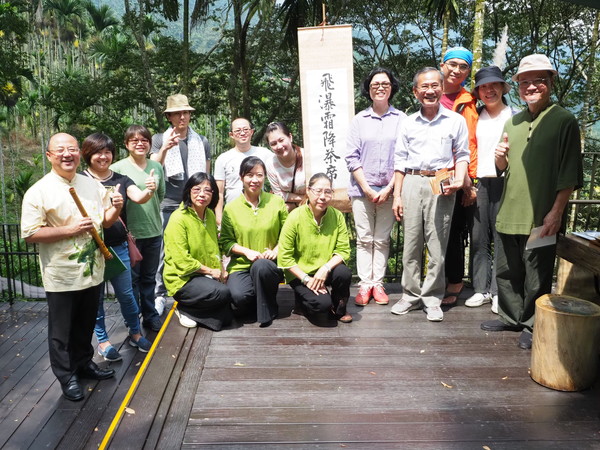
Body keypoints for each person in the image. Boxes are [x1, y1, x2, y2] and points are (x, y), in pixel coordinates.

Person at [480, 54, 583, 350]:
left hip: (541, 214)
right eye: (525, 82)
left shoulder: (563, 120)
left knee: (536, 272)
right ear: (518, 88)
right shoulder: (513, 121)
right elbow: (503, 167)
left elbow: (568, 173)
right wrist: (499, 160)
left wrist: (556, 212)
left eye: (538, 80)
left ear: (550, 82)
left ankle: (530, 322)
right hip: (509, 208)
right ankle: (511, 317)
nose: (531, 86)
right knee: (507, 268)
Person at [20, 133, 120, 401]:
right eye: (60, 150)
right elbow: (30, 233)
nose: (67, 154)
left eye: (72, 149)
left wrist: (117, 209)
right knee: (61, 330)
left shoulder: (90, 184)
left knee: (85, 323)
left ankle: (84, 363)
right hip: (61, 273)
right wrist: (70, 230)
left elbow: (106, 222)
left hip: (92, 270)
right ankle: (66, 376)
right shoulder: (39, 191)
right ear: (49, 156)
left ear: (79, 154)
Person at [391, 67, 469, 322]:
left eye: (435, 85)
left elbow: (462, 154)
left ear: (442, 88)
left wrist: (459, 179)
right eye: (424, 87)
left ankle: (433, 297)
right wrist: (398, 196)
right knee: (411, 243)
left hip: (441, 181)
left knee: (437, 243)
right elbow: (400, 161)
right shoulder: (407, 122)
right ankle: (410, 295)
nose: (430, 91)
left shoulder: (455, 121)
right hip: (412, 180)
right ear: (416, 92)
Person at [81, 133, 154, 361]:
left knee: (127, 295)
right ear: (88, 154)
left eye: (107, 152)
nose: (103, 156)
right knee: (96, 299)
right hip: (90, 249)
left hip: (118, 247)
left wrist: (149, 190)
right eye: (98, 152)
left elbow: (139, 197)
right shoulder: (80, 180)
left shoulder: (121, 180)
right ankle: (103, 341)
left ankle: (135, 333)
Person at [346, 67, 406, 307]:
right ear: (368, 90)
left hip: (390, 190)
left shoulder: (402, 119)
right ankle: (364, 285)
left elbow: (403, 157)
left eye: (385, 83)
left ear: (392, 87)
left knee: (381, 239)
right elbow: (351, 157)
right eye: (375, 84)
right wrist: (368, 189)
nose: (380, 87)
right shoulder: (359, 120)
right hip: (362, 191)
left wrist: (389, 188)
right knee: (364, 238)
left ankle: (377, 284)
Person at [150, 94, 212, 316]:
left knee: (197, 247)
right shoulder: (159, 139)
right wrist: (165, 148)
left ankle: (193, 292)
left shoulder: (201, 141)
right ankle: (159, 295)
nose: (183, 116)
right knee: (164, 252)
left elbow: (205, 175)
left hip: (196, 204)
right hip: (169, 203)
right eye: (177, 113)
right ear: (169, 117)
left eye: (186, 112)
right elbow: (153, 167)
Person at [464, 67, 515, 313]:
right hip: (480, 182)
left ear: (503, 88)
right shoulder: (476, 115)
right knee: (478, 238)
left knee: (502, 238)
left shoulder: (514, 117)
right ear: (478, 92)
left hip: (506, 182)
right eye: (483, 87)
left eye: (494, 85)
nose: (489, 90)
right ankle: (480, 290)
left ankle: (498, 292)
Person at [220, 156, 287, 327]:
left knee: (262, 266)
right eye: (250, 175)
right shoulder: (231, 208)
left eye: (259, 175)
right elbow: (226, 242)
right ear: (241, 177)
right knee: (239, 298)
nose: (255, 180)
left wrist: (276, 251)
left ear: (265, 177)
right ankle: (256, 302)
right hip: (240, 266)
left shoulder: (276, 202)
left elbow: (288, 235)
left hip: (271, 265)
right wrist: (246, 251)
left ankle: (267, 311)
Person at [278, 173, 353, 324]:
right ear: (308, 191)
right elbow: (284, 256)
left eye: (327, 192)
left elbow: (343, 250)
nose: (323, 196)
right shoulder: (294, 217)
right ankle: (301, 303)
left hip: (324, 270)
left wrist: (325, 268)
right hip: (300, 273)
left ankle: (338, 307)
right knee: (321, 306)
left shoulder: (337, 216)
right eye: (318, 191)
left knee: (343, 272)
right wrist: (306, 279)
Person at [111, 125, 166, 332]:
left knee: (149, 278)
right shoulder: (118, 168)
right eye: (134, 140)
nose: (140, 143)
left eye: (144, 140)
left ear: (150, 143)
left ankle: (150, 316)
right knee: (131, 281)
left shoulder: (157, 166)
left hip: (153, 230)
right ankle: (132, 318)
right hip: (129, 234)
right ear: (126, 145)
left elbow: (160, 195)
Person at [163, 173, 233, 331]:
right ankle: (184, 309)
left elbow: (216, 247)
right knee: (222, 293)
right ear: (188, 191)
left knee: (230, 311)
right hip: (183, 278)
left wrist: (221, 269)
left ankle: (203, 311)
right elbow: (182, 261)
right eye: (197, 189)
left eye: (208, 190)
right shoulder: (178, 218)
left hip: (204, 276)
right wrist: (211, 272)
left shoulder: (209, 214)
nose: (202, 194)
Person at [439, 46, 479, 306]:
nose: (456, 70)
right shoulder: (428, 91)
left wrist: (469, 182)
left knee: (454, 232)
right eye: (452, 64)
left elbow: (473, 143)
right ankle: (434, 279)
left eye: (463, 66)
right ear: (442, 65)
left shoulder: (469, 102)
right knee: (431, 229)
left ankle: (454, 281)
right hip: (433, 173)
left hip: (460, 175)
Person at [214, 118, 272, 224]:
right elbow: (219, 192)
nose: (242, 133)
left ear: (252, 132)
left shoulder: (265, 154)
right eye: (238, 130)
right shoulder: (223, 158)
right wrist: (219, 218)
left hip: (260, 212)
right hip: (232, 214)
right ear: (231, 135)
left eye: (246, 129)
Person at [264, 122, 306, 212]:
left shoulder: (307, 157)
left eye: (281, 140)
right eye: (273, 143)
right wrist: (302, 198)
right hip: (288, 211)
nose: (279, 146)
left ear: (290, 137)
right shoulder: (270, 164)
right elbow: (278, 194)